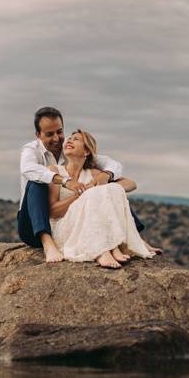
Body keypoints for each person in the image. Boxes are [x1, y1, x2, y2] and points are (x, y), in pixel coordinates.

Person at [17, 107, 127, 263]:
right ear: (38, 135)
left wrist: (106, 175)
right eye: (49, 134)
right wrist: (64, 181)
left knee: (108, 188)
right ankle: (47, 243)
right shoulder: (31, 150)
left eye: (59, 132)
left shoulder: (68, 149)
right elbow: (27, 169)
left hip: (65, 225)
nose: (56, 138)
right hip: (33, 224)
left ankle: (128, 236)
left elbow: (112, 164)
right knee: (37, 182)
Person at [47, 130, 157, 269]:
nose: (69, 140)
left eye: (76, 139)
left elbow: (130, 184)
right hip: (65, 226)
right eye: (69, 138)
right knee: (95, 193)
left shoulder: (94, 173)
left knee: (111, 189)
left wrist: (104, 179)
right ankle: (102, 251)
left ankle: (112, 246)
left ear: (86, 151)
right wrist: (82, 195)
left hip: (90, 225)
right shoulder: (55, 171)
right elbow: (53, 212)